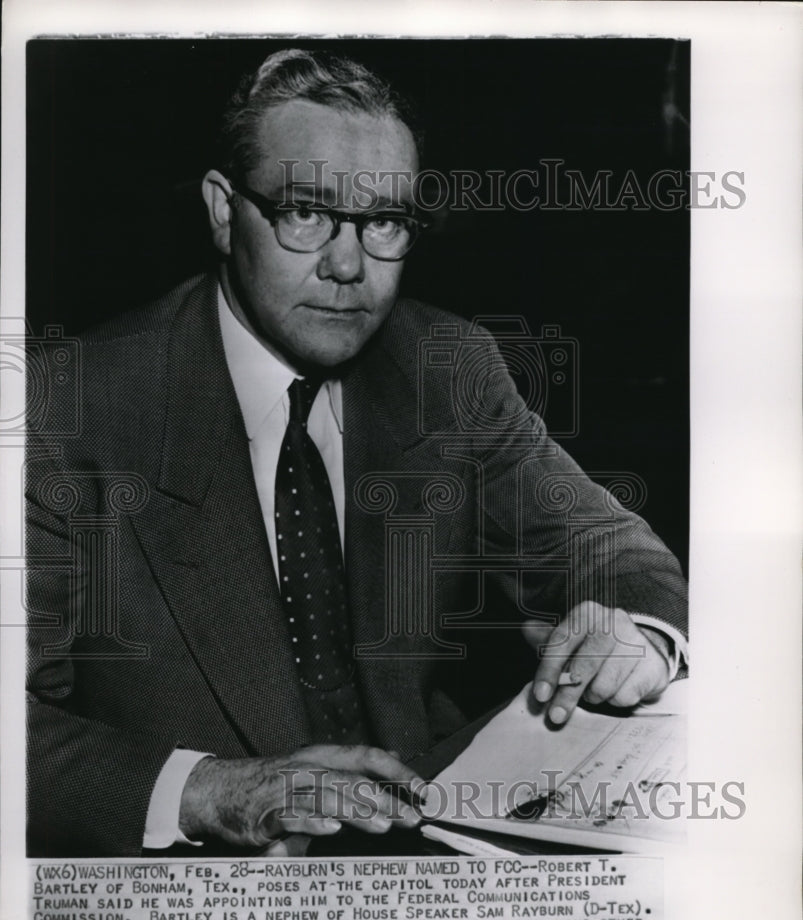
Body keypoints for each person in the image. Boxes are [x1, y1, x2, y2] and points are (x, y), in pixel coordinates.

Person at [26, 48, 688, 858]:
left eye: (383, 223)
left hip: (438, 843)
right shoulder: (67, 412)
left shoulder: (448, 365)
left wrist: (639, 635)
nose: (347, 267)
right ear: (223, 210)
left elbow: (608, 546)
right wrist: (207, 791)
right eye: (305, 212)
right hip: (214, 882)